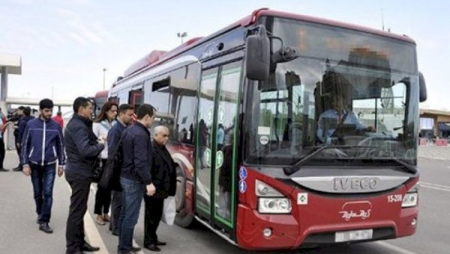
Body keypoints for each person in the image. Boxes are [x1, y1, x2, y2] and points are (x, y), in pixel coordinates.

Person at [64, 97, 105, 254]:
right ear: (81, 109)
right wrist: (101, 144)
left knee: (79, 209)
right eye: (89, 108)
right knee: (76, 211)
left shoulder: (77, 124)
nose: (91, 111)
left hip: (78, 171)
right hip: (79, 173)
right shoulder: (79, 127)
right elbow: (86, 151)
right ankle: (72, 248)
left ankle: (80, 243)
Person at [21, 99, 65, 233]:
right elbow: (25, 145)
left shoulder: (56, 126)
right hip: (34, 164)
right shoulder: (31, 124)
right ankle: (40, 212)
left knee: (48, 193)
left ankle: (45, 221)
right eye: (46, 110)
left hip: (50, 164)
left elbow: (60, 145)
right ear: (40, 110)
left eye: (51, 110)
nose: (49, 113)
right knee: (37, 193)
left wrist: (62, 164)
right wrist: (25, 164)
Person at [118, 104, 156, 254]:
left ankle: (124, 244)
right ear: (146, 117)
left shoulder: (129, 129)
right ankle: (124, 249)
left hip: (126, 176)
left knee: (124, 214)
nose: (153, 121)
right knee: (131, 217)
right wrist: (148, 182)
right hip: (134, 180)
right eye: (153, 118)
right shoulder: (141, 134)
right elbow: (140, 162)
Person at [144, 125, 176, 251]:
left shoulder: (162, 148)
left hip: (162, 189)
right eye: (164, 135)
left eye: (168, 136)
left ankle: (153, 237)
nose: (166, 138)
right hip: (154, 189)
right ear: (156, 135)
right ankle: (148, 241)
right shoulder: (152, 149)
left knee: (156, 216)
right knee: (151, 217)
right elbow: (148, 169)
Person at [107, 104, 135, 236]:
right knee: (118, 200)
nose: (131, 117)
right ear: (121, 114)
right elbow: (113, 153)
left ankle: (114, 224)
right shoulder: (115, 130)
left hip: (123, 169)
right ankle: (116, 227)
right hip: (118, 170)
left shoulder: (126, 128)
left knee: (121, 199)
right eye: (129, 115)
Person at [92, 101, 118, 226]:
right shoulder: (97, 124)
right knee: (102, 188)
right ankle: (98, 214)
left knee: (109, 188)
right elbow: (93, 140)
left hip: (113, 158)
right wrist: (103, 139)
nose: (115, 113)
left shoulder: (116, 124)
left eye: (116, 111)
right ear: (106, 111)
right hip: (102, 158)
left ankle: (106, 212)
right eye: (112, 111)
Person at [14, 107, 35, 172]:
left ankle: (21, 165)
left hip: (23, 138)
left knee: (21, 153)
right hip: (31, 139)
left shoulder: (22, 120)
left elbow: (20, 131)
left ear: (23, 112)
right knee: (29, 152)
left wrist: (18, 141)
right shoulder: (33, 120)